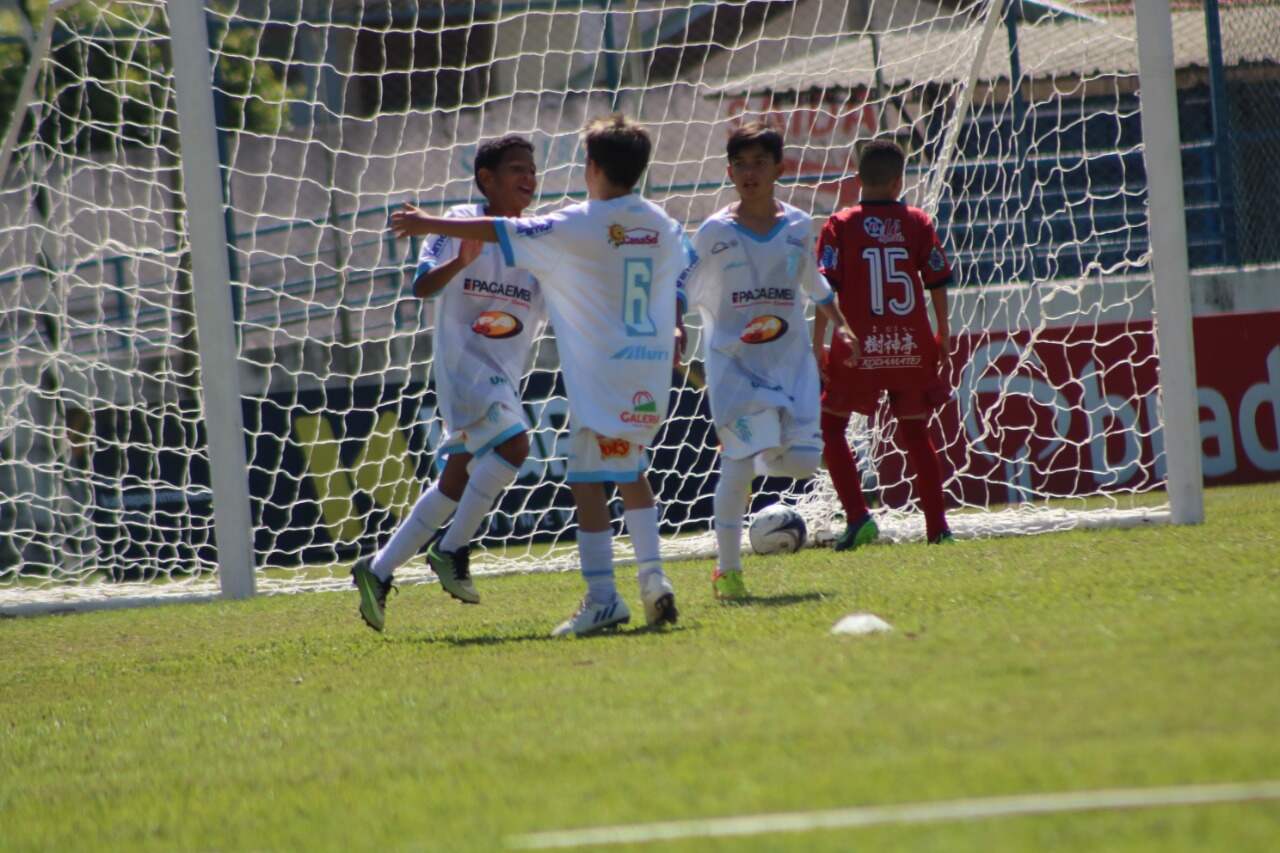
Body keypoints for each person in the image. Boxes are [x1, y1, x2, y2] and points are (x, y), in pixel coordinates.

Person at [391, 114, 688, 637]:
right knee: (631, 471)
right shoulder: (663, 224)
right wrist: (680, 328)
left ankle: (603, 598)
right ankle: (654, 579)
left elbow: (499, 229)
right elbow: (680, 276)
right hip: (650, 371)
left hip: (601, 376)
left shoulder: (578, 222)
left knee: (586, 479)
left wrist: (429, 224)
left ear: (592, 167)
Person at [351, 134, 545, 632]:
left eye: (532, 169)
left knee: (455, 479)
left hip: (504, 372)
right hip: (465, 370)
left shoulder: (536, 239)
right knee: (516, 447)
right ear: (487, 179)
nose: (529, 177)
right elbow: (421, 286)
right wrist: (459, 263)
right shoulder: (458, 222)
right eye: (517, 169)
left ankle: (377, 570)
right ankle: (452, 548)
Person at [681, 122, 858, 601]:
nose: (749, 172)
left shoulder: (799, 226)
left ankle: (754, 447)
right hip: (734, 366)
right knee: (737, 467)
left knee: (801, 463)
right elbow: (683, 284)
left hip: (789, 362)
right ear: (729, 171)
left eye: (759, 163)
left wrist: (839, 323)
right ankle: (728, 570)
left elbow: (815, 282)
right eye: (740, 164)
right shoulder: (715, 231)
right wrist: (675, 326)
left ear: (779, 168)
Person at [814, 139, 955, 548]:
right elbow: (938, 281)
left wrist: (818, 343)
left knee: (831, 427)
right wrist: (942, 330)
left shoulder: (839, 224)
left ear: (858, 178)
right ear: (898, 182)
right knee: (915, 432)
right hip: (910, 344)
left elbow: (825, 286)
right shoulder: (917, 221)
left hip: (858, 347)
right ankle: (938, 529)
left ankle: (858, 517)